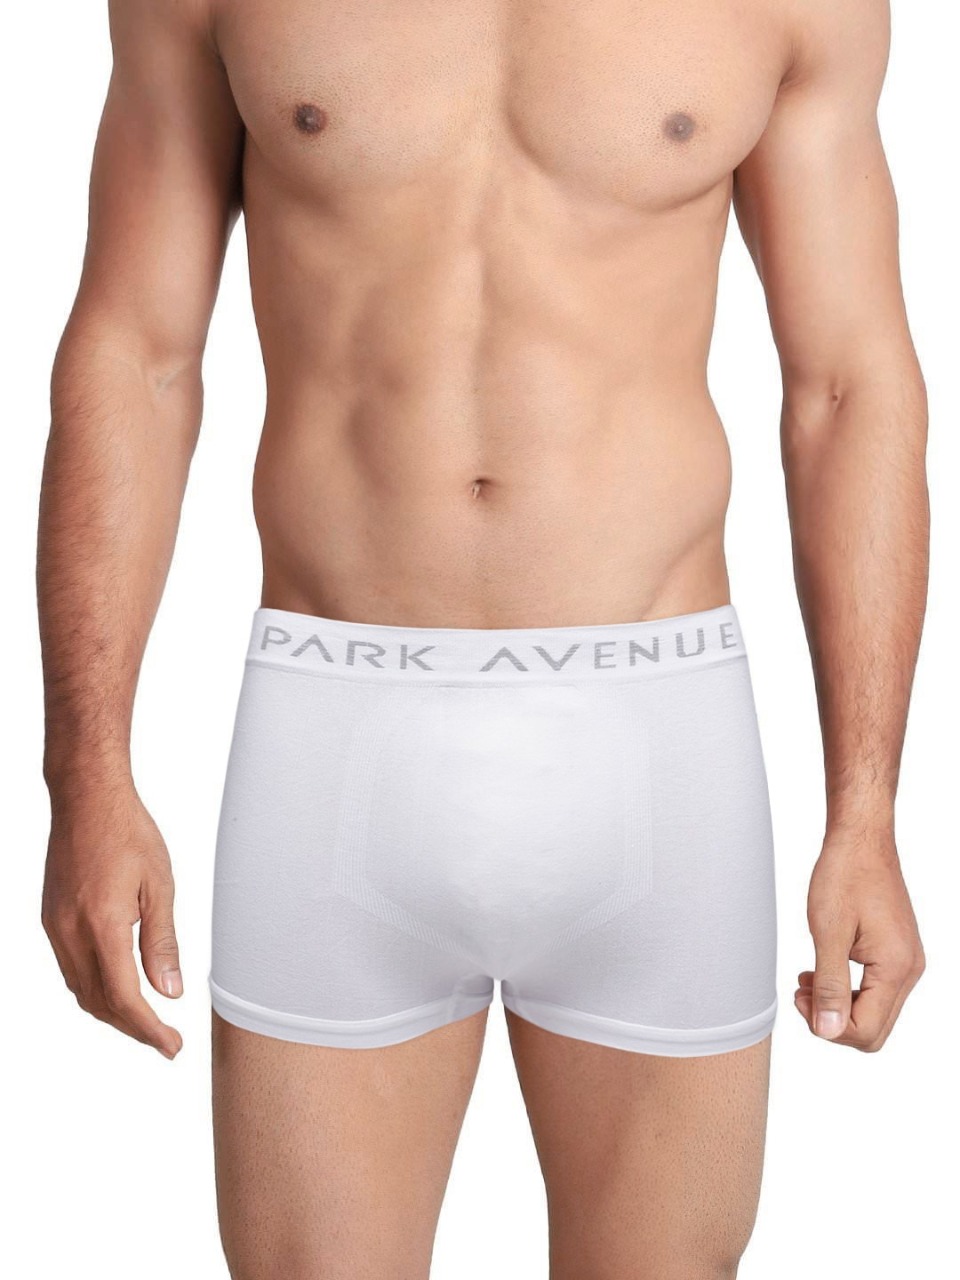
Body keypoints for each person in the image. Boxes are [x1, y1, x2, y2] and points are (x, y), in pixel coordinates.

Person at [36, 0, 929, 1275]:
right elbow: (138, 352)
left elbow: (847, 384)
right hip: (335, 734)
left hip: (657, 742)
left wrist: (867, 810)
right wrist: (86, 772)